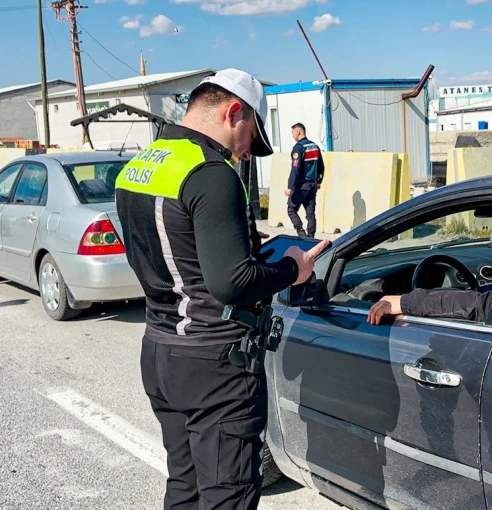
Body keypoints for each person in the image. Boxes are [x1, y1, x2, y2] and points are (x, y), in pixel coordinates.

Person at [114, 68, 329, 510]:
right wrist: (293, 268)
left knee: (185, 488)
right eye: (251, 136)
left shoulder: (140, 165)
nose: (247, 150)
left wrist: (234, 241)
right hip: (214, 364)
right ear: (233, 113)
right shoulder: (212, 173)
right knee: (227, 496)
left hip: (160, 351)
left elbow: (171, 247)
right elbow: (233, 283)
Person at [286, 122, 324, 238]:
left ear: (298, 132)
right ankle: (311, 236)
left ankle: (301, 232)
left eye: (293, 133)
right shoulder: (315, 146)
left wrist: (290, 187)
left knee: (291, 209)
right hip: (313, 185)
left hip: (301, 186)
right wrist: (318, 181)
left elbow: (295, 169)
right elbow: (321, 166)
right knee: (310, 212)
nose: (292, 135)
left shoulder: (298, 148)